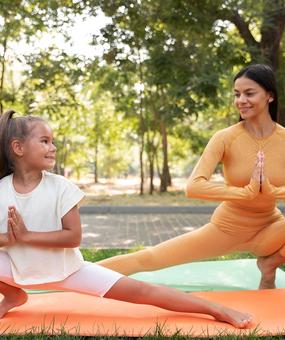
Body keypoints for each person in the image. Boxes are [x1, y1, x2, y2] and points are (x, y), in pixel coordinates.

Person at [0, 109, 251, 328]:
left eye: (53, 141)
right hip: (18, 269)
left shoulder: (62, 187)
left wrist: (25, 237)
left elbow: (73, 237)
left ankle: (216, 309)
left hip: (67, 270)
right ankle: (13, 295)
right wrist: (10, 240)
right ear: (18, 147)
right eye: (44, 141)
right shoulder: (2, 189)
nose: (53, 147)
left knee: (143, 291)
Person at [98, 64, 285, 290]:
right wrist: (245, 192)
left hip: (270, 229)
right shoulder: (226, 137)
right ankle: (72, 275)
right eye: (237, 94)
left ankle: (270, 266)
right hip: (226, 228)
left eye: (249, 93)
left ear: (269, 96)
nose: (240, 100)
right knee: (148, 259)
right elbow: (194, 187)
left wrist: (273, 191)